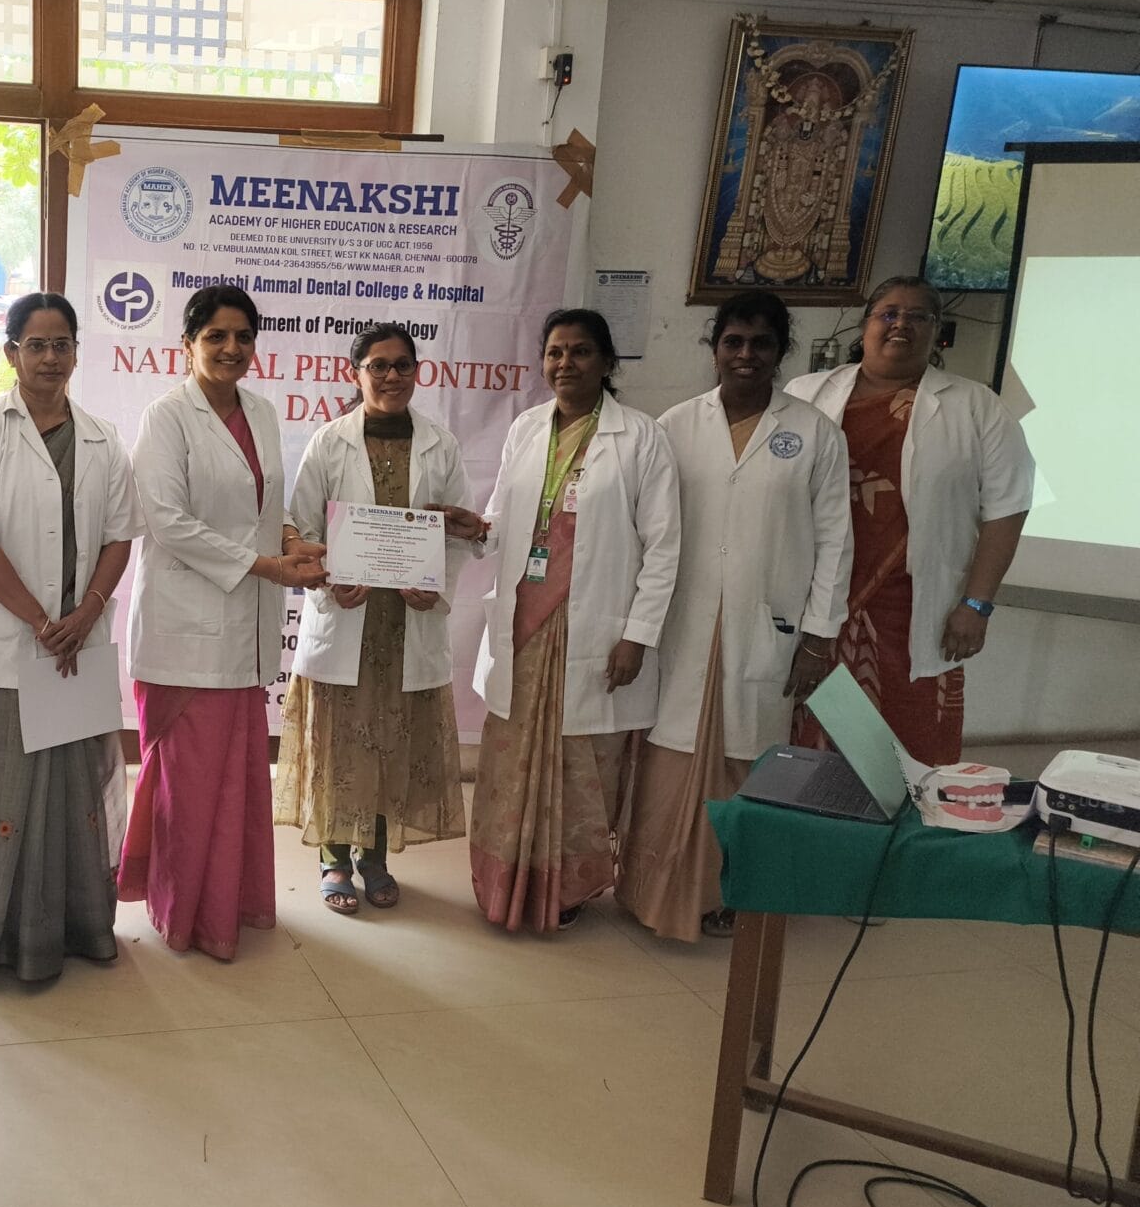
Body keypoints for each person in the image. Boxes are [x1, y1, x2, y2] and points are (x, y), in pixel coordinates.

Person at [619, 292, 851, 942]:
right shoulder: (675, 426)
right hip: (682, 620)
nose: (746, 354)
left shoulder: (815, 433)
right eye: (734, 341)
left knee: (746, 759)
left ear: (781, 352)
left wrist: (819, 636)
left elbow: (836, 540)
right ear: (715, 348)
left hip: (765, 623)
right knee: (669, 759)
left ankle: (728, 893)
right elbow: (643, 529)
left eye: (761, 343)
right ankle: (652, 892)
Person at [118, 284, 324, 960]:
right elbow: (168, 522)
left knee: (234, 780)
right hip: (184, 628)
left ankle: (229, 903)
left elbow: (264, 504)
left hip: (244, 625)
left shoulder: (260, 411)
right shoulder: (165, 417)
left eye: (243, 337)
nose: (232, 348)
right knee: (189, 783)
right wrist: (268, 566)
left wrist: (290, 539)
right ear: (188, 344)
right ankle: (184, 913)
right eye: (216, 336)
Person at [0, 293, 139, 980]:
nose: (50, 358)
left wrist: (86, 613)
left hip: (76, 642)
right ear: (12, 354)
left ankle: (77, 928)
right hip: (3, 643)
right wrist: (40, 620)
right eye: (36, 345)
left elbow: (119, 537)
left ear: (77, 352)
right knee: (2, 791)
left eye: (62, 344)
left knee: (73, 794)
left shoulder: (104, 439)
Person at [469, 308, 680, 932]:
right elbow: (503, 518)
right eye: (555, 352)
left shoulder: (641, 437)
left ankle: (568, 887)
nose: (566, 363)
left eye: (581, 351)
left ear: (607, 361)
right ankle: (504, 882)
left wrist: (637, 636)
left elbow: (664, 546)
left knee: (582, 763)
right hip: (526, 624)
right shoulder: (527, 428)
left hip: (595, 628)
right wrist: (472, 529)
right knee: (512, 758)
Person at [785, 276, 1033, 765]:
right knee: (800, 741)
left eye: (919, 316)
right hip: (813, 600)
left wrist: (976, 604)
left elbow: (1008, 507)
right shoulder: (806, 394)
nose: (902, 324)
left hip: (913, 608)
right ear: (866, 325)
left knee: (910, 747)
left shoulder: (976, 405)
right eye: (890, 313)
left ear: (937, 331)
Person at [274, 324, 479, 914]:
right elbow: (301, 527)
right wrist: (328, 581)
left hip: (406, 624)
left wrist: (436, 590)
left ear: (418, 372)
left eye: (402, 365)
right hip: (349, 619)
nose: (391, 376)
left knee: (393, 741)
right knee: (340, 746)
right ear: (355, 373)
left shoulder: (441, 445)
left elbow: (459, 531)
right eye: (378, 366)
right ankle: (335, 860)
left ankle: (376, 859)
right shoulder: (328, 442)